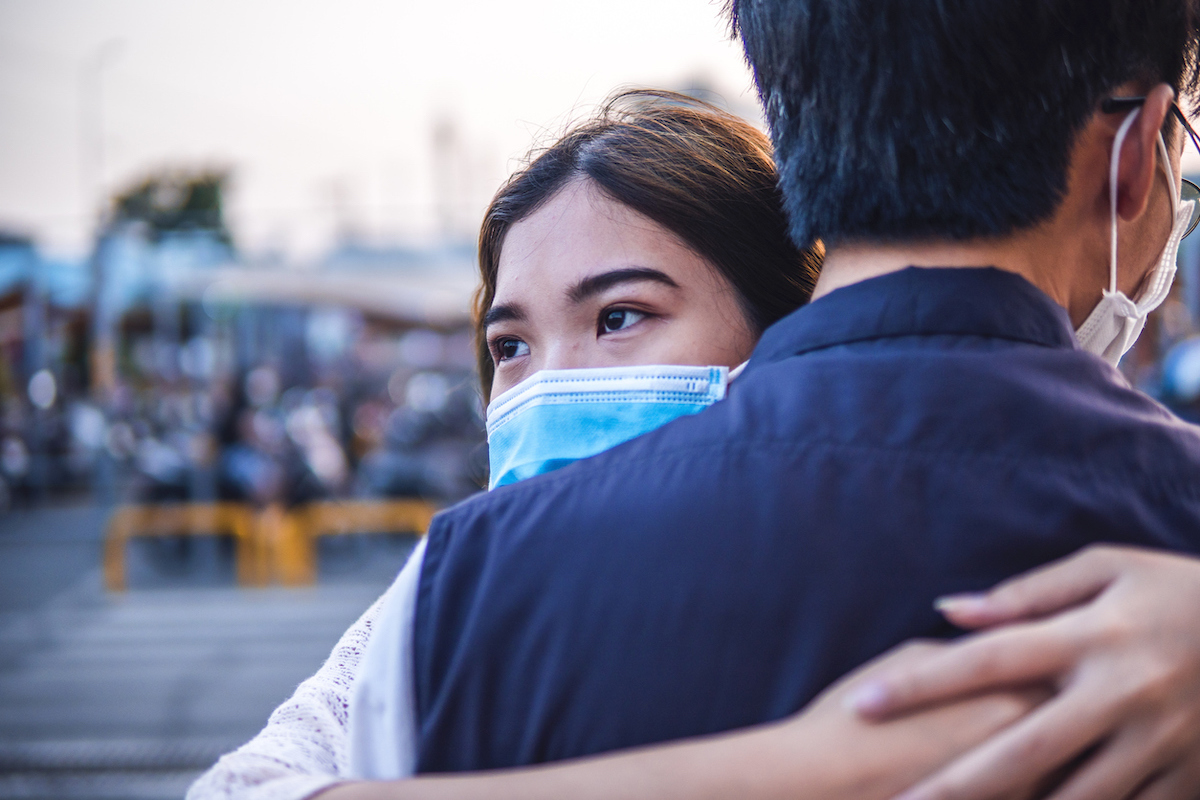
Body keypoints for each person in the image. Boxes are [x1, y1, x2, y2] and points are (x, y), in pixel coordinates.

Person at [192, 83, 1200, 800]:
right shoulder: (449, 585)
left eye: (620, 316)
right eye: (509, 344)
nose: (548, 385)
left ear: (786, 317)